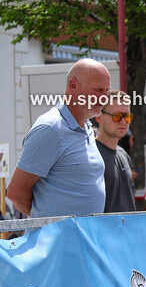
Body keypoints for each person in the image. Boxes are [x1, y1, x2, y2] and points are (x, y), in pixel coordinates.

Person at [8, 58, 110, 217]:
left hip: (81, 238)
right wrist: (49, 223)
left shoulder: (87, 127)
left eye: (106, 90)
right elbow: (16, 193)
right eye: (98, 90)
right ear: (73, 86)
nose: (104, 97)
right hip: (57, 240)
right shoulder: (51, 128)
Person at [94, 90, 136, 214]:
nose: (123, 122)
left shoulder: (123, 154)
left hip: (127, 230)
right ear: (99, 116)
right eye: (117, 116)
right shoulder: (91, 155)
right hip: (103, 231)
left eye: (127, 116)